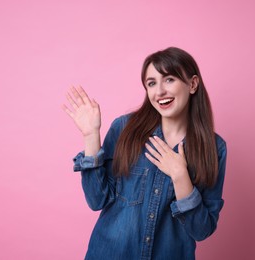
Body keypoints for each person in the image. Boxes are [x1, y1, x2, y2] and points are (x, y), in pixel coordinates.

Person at [62, 47, 227, 260]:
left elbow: (201, 230)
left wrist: (180, 176)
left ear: (192, 84)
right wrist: (91, 136)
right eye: (151, 83)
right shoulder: (125, 129)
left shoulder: (215, 148)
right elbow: (97, 200)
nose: (159, 92)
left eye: (169, 79)